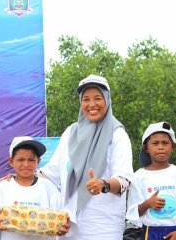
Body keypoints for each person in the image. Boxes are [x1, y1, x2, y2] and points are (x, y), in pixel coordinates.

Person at [37, 74, 134, 239]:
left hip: (103, 226)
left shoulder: (117, 134)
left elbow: (125, 180)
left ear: (107, 100)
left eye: (97, 98)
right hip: (68, 224)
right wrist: (19, 178)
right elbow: (50, 174)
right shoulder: (70, 133)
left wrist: (103, 184)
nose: (91, 104)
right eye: (86, 99)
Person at [0, 136, 70, 240]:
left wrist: (63, 226)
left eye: (31, 160)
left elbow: (61, 215)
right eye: (20, 159)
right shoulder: (4, 187)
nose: (26, 164)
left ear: (38, 161)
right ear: (11, 161)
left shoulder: (48, 187)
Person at [126, 122, 176, 239]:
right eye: (155, 143)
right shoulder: (138, 177)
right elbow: (133, 213)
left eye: (165, 143)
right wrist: (147, 204)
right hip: (150, 233)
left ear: (173, 146)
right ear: (146, 148)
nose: (161, 147)